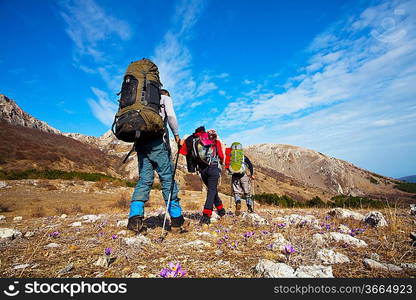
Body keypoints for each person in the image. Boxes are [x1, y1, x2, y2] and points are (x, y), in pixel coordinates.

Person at [127, 89, 187, 234]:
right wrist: (177, 136)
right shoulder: (165, 98)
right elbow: (171, 116)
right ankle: (177, 220)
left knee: (144, 180)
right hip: (157, 143)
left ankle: (134, 219)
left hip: (141, 142)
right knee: (167, 179)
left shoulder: (142, 102)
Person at [179, 127, 226, 225]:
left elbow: (185, 152)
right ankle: (206, 214)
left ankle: (221, 210)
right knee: (212, 190)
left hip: (202, 170)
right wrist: (221, 162)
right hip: (213, 168)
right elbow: (221, 155)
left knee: (212, 190)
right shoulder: (216, 143)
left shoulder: (197, 142)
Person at [228, 149, 254, 215]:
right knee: (247, 192)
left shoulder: (231, 157)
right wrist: (252, 174)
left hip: (234, 176)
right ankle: (249, 208)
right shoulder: (243, 157)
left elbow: (227, 165)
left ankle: (238, 203)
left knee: (237, 192)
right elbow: (250, 165)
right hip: (243, 176)